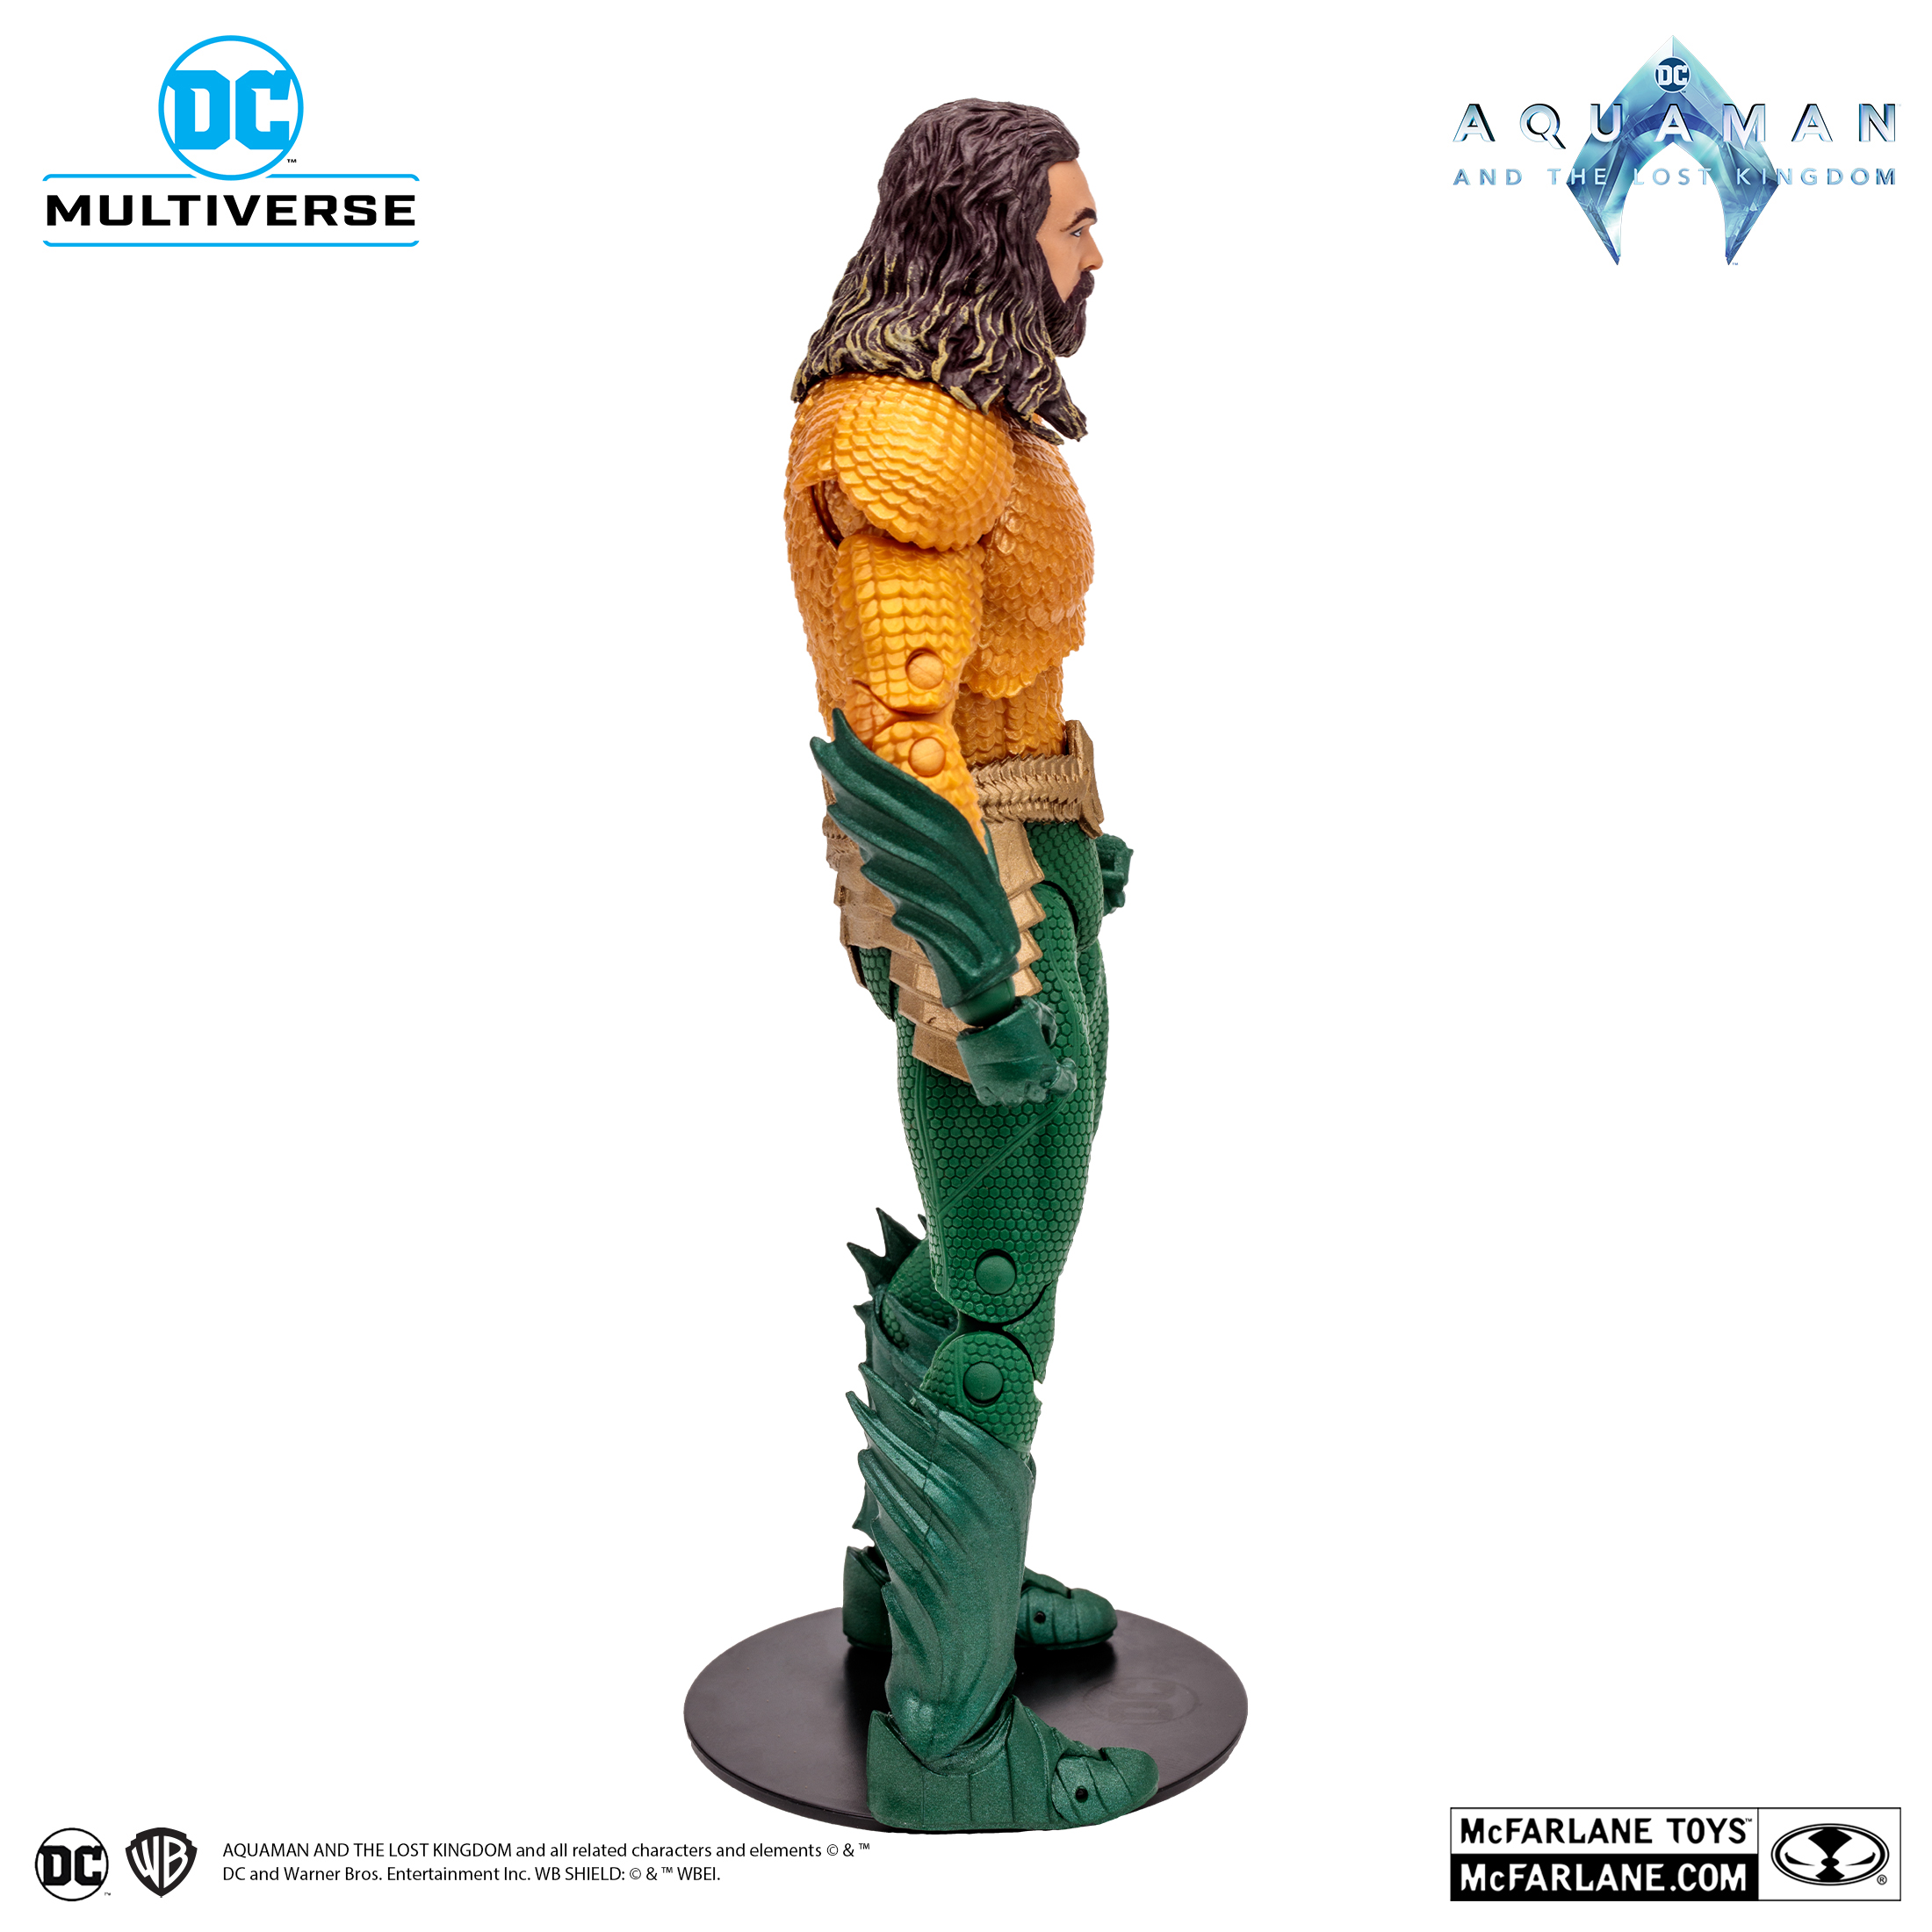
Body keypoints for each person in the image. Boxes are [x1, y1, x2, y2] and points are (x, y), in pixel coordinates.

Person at [784, 99, 1150, 1832]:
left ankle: (918, 1585)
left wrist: (1076, 843)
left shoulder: (964, 409)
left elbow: (996, 687)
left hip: (1027, 845)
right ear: (994, 229)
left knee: (986, 1245)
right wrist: (978, 972)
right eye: (1073, 223)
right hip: (977, 890)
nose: (1097, 252)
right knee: (1003, 1278)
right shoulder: (910, 434)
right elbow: (902, 727)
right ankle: (948, 1735)